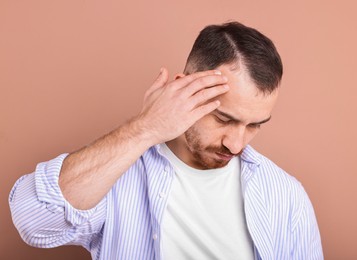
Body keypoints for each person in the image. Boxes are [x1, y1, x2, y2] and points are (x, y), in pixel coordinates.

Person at [9, 21, 323, 259]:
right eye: (224, 119)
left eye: (255, 125)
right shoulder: (119, 176)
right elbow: (34, 220)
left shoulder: (284, 195)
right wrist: (146, 128)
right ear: (181, 90)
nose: (237, 144)